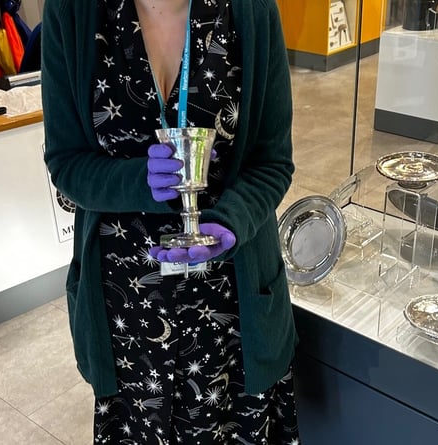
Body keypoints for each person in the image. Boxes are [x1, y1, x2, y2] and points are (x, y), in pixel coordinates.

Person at [41, 0, 301, 443]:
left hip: (231, 314)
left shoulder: (251, 10)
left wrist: (231, 221)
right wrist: (137, 180)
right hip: (124, 315)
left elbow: (273, 162)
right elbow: (66, 163)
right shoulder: (73, 11)